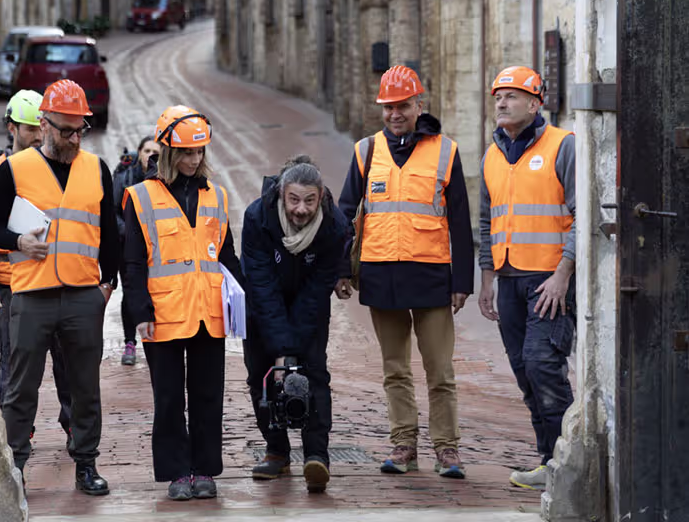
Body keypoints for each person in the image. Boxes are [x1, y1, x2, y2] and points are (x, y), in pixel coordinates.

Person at [336, 65, 474, 479]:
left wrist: (462, 282)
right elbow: (345, 215)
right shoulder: (365, 152)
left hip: (431, 275)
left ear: (419, 104)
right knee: (394, 368)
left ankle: (447, 449)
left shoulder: (445, 151)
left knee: (440, 371)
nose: (395, 113)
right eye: (388, 107)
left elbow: (461, 222)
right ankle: (404, 445)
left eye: (403, 105)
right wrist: (342, 270)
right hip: (381, 274)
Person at [0, 79, 119, 495]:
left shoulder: (96, 168)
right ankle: (15, 468)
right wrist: (18, 242)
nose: (75, 137)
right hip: (31, 294)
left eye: (81, 128)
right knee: (22, 387)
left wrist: (107, 284)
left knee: (84, 386)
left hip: (84, 295)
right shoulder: (14, 170)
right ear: (43, 125)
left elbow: (111, 234)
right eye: (66, 130)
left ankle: (86, 463)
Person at [121, 105, 243, 501]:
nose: (194, 160)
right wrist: (138, 311)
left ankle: (205, 469)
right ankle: (176, 472)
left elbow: (226, 257)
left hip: (209, 314)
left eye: (200, 152)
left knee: (207, 395)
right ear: (168, 153)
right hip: (163, 314)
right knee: (169, 398)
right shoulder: (140, 197)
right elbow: (133, 262)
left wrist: (243, 303)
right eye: (187, 153)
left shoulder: (218, 196)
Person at [477, 66, 576, 491]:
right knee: (523, 370)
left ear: (535, 104)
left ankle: (567, 461)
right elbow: (487, 221)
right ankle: (548, 460)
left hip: (547, 282)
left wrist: (563, 274)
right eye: (498, 96)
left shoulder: (562, 146)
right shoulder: (492, 155)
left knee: (542, 365)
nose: (501, 103)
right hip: (508, 280)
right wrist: (486, 279)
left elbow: (579, 214)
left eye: (512, 96)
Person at [241, 155, 346, 493]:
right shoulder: (257, 217)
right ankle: (277, 451)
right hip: (262, 306)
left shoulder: (334, 226)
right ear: (282, 194)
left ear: (321, 197)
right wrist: (281, 353)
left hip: (309, 307)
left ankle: (317, 456)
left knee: (313, 373)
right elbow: (261, 286)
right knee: (263, 375)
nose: (301, 209)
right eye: (294, 200)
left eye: (310, 201)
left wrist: (293, 350)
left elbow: (317, 291)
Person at [0, 90, 72, 448]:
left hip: (58, 281)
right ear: (11, 128)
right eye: (29, 128)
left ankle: (73, 427)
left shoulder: (59, 170)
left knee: (68, 365)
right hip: (11, 285)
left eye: (41, 126)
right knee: (16, 366)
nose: (38, 134)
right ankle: (16, 436)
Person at [113, 136, 161, 365]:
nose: (151, 155)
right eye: (147, 150)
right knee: (131, 291)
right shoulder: (124, 177)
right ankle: (130, 342)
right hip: (127, 245)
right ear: (139, 152)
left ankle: (157, 339)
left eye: (156, 151)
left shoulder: (164, 179)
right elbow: (112, 212)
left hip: (157, 247)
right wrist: (129, 232)